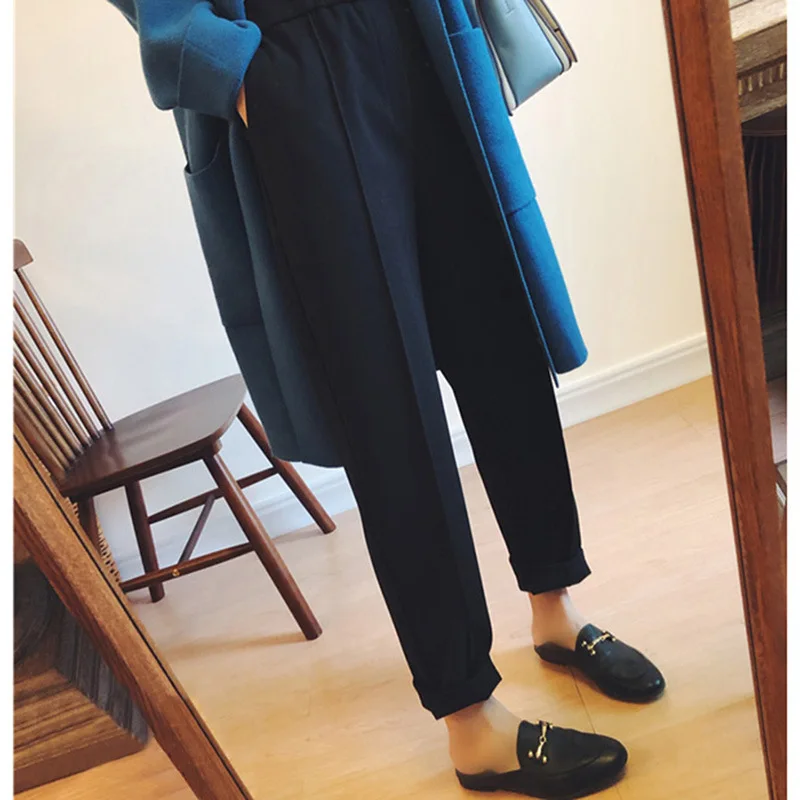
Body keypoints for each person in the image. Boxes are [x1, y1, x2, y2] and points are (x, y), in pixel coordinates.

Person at [109, 0, 665, 796]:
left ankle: (555, 608)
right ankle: (470, 720)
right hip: (294, 54)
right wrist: (244, 75)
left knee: (500, 337)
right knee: (385, 400)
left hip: (422, 28)